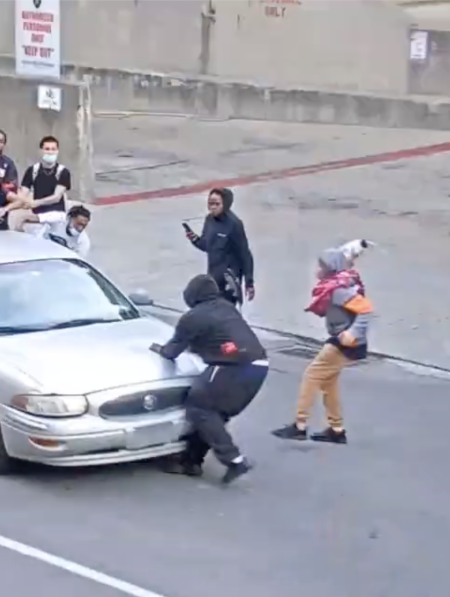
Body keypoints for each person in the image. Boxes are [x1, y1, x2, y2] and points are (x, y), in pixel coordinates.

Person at [151, 274, 268, 485]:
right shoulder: (226, 307)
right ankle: (191, 461)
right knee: (214, 415)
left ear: (191, 296)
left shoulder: (193, 317)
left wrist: (159, 349)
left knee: (200, 406)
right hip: (259, 365)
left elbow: (171, 351)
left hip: (234, 366)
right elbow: (215, 337)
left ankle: (234, 460)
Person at [271, 246, 373, 444]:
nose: (318, 269)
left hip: (344, 342)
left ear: (330, 267)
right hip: (344, 340)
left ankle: (299, 426)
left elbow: (365, 310)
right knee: (328, 383)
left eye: (321, 266)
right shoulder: (336, 285)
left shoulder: (339, 290)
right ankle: (337, 430)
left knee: (311, 375)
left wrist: (351, 333)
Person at [184, 188, 255, 307]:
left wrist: (249, 283)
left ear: (225, 204)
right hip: (212, 280)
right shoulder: (209, 220)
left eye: (216, 204)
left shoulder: (234, 224)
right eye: (210, 203)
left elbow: (245, 254)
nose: (212, 207)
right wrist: (194, 239)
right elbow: (207, 246)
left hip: (229, 282)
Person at [18, 135, 72, 238]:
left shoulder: (63, 172)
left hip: (56, 217)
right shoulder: (32, 171)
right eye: (47, 149)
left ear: (57, 151)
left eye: (53, 149)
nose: (50, 152)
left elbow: (56, 198)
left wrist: (35, 203)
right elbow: (23, 193)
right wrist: (21, 202)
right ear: (41, 151)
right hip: (38, 218)